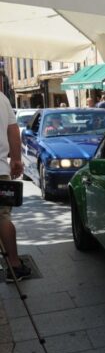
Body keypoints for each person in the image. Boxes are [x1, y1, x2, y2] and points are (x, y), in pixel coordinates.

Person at [0, 92, 30, 282]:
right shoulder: (1, 99)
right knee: (2, 217)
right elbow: (13, 130)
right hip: (0, 169)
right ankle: (14, 264)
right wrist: (16, 160)